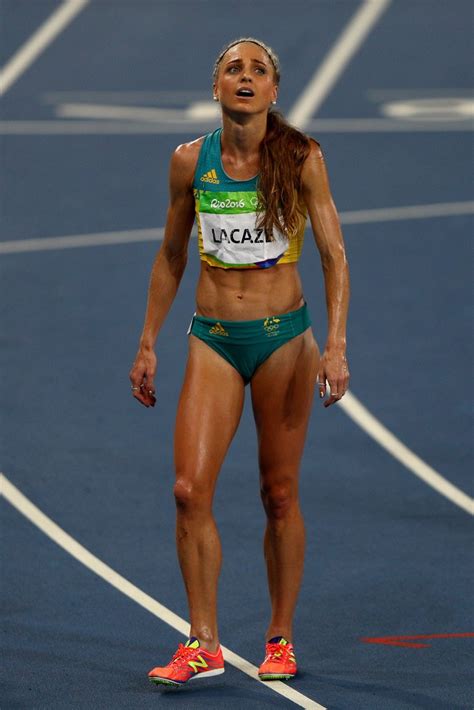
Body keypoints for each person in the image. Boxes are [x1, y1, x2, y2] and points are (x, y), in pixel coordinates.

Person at [129, 37, 350, 687]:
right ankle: (203, 642)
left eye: (258, 70)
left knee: (278, 495)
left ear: (274, 91)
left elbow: (335, 256)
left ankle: (279, 637)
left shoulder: (302, 157)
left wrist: (334, 346)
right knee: (188, 490)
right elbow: (171, 255)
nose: (245, 77)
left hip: (284, 340)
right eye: (234, 69)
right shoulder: (188, 163)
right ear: (217, 88)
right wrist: (147, 340)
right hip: (213, 339)